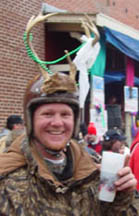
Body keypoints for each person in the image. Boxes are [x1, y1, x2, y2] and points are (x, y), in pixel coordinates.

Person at [0, 11, 137, 216]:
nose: (57, 123)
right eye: (47, 114)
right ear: (30, 119)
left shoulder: (92, 170)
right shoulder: (7, 179)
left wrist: (122, 196)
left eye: (65, 114)